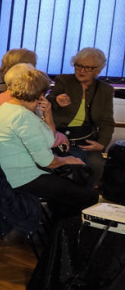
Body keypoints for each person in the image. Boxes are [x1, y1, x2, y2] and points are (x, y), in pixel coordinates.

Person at [0, 66, 99, 220]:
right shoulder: (23, 117)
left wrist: (48, 114)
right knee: (89, 195)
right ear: (41, 95)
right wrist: (68, 160)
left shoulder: (9, 107)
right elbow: (47, 162)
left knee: (74, 183)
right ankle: (62, 230)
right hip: (24, 177)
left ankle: (58, 225)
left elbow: (50, 140)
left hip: (13, 172)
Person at [48, 47, 114, 188]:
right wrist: (57, 101)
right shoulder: (64, 80)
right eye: (78, 65)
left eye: (87, 68)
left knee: (96, 164)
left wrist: (102, 144)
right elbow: (49, 100)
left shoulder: (105, 90)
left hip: (85, 139)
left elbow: (107, 121)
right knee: (67, 167)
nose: (81, 70)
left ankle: (88, 194)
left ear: (97, 71)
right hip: (58, 136)